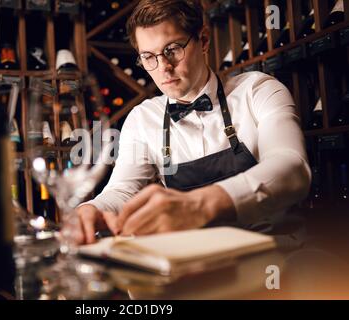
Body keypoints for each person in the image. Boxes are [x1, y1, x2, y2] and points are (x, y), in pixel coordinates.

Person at [75, 0, 311, 244]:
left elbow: (292, 168)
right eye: (148, 57)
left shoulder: (258, 90)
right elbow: (122, 190)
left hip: (272, 256)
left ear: (204, 40)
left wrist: (202, 205)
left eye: (173, 49)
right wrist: (92, 208)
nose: (163, 68)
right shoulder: (142, 119)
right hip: (196, 262)